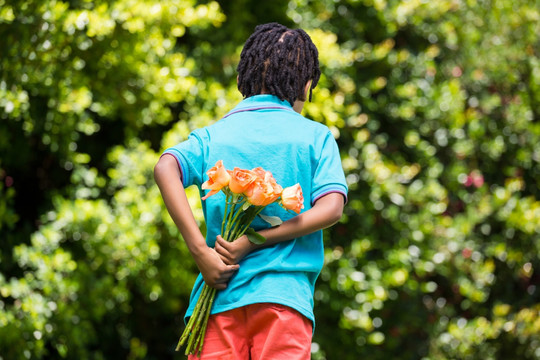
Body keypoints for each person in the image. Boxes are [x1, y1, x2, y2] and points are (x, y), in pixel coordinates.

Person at [154, 22, 348, 360]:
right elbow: (331, 208)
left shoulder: (214, 135)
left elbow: (164, 167)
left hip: (217, 300)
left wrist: (202, 253)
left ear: (245, 76)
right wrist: (258, 240)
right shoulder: (315, 137)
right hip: (283, 301)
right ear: (304, 86)